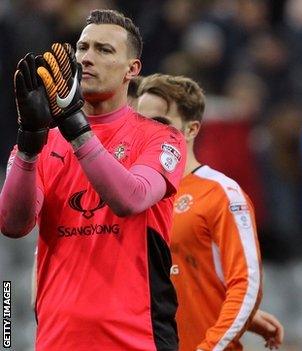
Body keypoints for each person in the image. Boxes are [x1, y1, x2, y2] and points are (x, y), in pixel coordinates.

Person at [0, 10, 186, 350]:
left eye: (104, 50)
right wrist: (28, 142)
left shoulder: (161, 137)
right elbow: (13, 224)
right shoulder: (46, 141)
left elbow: (131, 198)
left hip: (137, 340)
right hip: (58, 340)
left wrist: (73, 125)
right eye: (82, 47)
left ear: (132, 69)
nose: (87, 57)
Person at [136, 73, 283, 351]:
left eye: (161, 123)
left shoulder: (220, 194)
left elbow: (246, 284)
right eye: (141, 122)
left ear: (191, 130)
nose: (148, 132)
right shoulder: (131, 194)